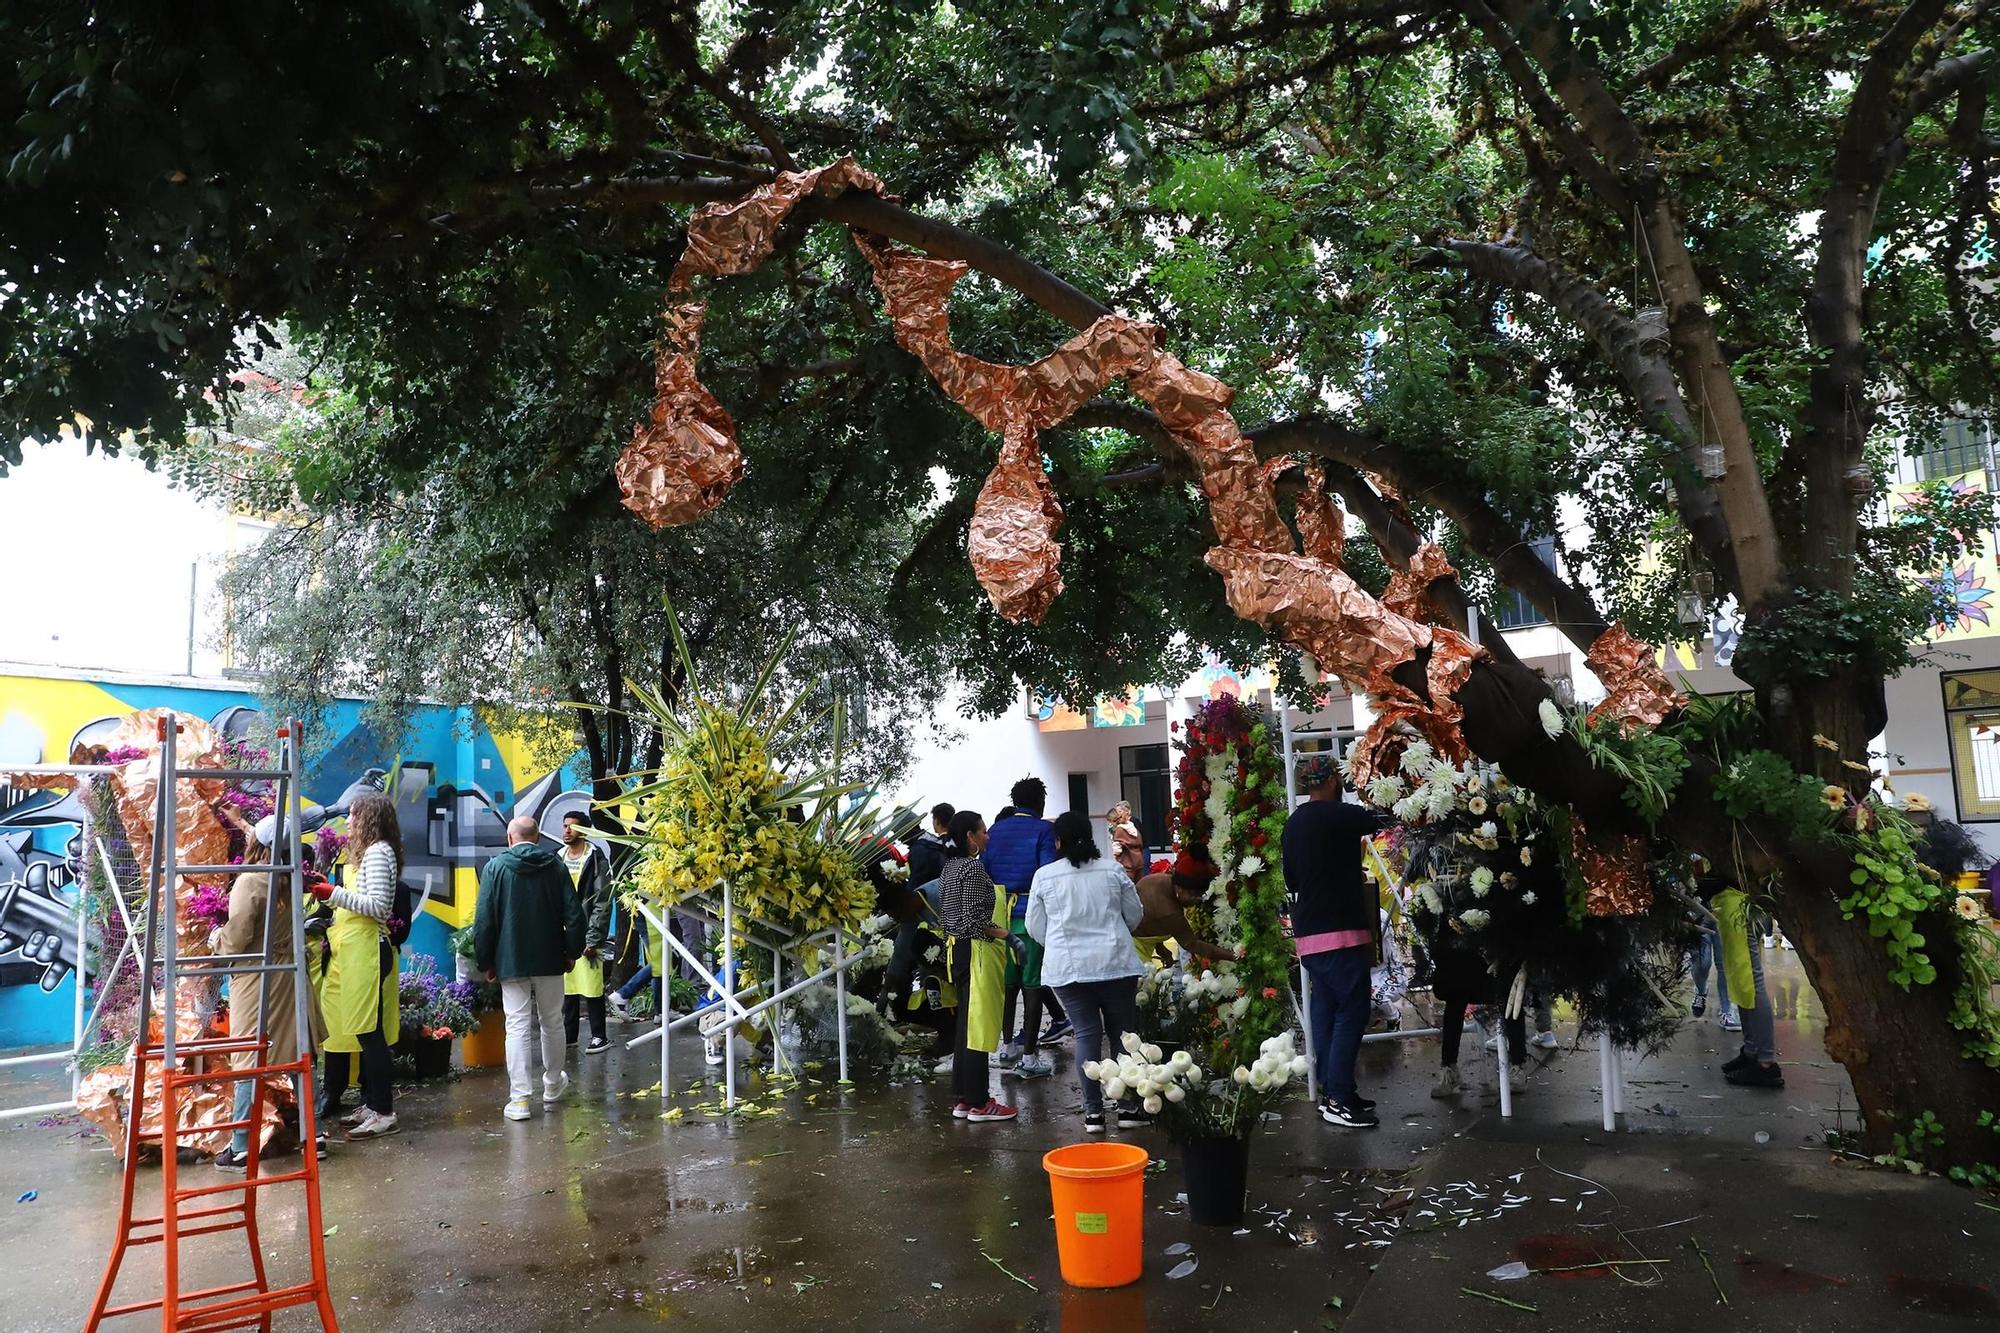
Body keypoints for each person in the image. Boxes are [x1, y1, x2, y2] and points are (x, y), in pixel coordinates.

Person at [1281, 755, 1391, 1128]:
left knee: (1325, 1013)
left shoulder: (1293, 823)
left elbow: (1292, 881)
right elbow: (1385, 818)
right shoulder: (1337, 814)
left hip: (1310, 933)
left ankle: (1335, 1089)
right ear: (1331, 782)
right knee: (1352, 1010)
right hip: (1339, 931)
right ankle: (1339, 1098)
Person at [214, 820, 327, 1171]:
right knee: (299, 1058)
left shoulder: (250, 881)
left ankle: (240, 1147)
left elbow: (238, 936)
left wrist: (215, 937)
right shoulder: (292, 878)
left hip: (256, 981)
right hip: (291, 976)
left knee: (249, 1059)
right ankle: (315, 1136)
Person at [1028, 812, 1146, 1135]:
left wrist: (1059, 943)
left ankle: (1093, 1114)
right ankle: (1129, 1108)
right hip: (1116, 965)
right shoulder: (1112, 871)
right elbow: (1134, 916)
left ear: (1057, 842)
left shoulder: (1044, 876)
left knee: (1086, 1035)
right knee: (1123, 1036)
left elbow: (1035, 927)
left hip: (1069, 971)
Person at [474, 816, 587, 1120]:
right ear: (536, 839)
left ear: (510, 839)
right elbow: (574, 915)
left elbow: (484, 920)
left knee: (517, 1025)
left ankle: (520, 1099)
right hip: (551, 957)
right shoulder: (556, 866)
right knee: (552, 1021)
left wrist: (485, 960)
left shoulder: (495, 869)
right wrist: (571, 951)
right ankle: (552, 1086)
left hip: (510, 959)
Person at [308, 792, 403, 1140]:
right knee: (366, 1031)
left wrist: (332, 893)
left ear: (368, 817)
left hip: (370, 951)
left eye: (352, 815)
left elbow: (378, 907)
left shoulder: (378, 853)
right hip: (357, 951)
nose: (347, 821)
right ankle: (373, 1103)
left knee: (370, 1033)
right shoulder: (370, 854)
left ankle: (383, 1111)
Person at [982, 776, 1066, 1078]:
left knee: (1008, 986)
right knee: (1033, 986)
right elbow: (1047, 873)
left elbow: (986, 873)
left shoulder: (994, 830)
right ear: (1039, 802)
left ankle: (1006, 1047)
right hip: (1031, 916)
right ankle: (1029, 1057)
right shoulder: (1044, 829)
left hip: (1000, 918)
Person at [939, 809, 1017, 1123]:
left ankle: (964, 1098)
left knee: (965, 1026)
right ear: (970, 837)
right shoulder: (972, 869)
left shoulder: (949, 868)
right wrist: (1007, 935)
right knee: (978, 1026)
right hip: (975, 951)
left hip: (955, 950)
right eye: (983, 831)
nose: (988, 835)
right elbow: (975, 920)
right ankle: (980, 1102)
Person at [557, 812, 614, 1054]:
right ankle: (569, 1037)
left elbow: (602, 901)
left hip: (588, 933)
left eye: (571, 826)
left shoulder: (596, 860)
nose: (566, 830)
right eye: (565, 826)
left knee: (592, 986)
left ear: (585, 831)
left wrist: (593, 938)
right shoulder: (558, 857)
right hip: (564, 933)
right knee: (568, 987)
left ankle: (599, 1036)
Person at [1131, 852, 1240, 966]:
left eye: (1201, 895)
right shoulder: (1170, 913)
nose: (1196, 900)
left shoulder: (1159, 879)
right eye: (1193, 895)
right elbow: (1192, 944)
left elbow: (1150, 917)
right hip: (1132, 950)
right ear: (1180, 888)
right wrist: (1235, 955)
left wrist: (1160, 948)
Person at [1106, 802, 1146, 883]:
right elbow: (1142, 842)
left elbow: (1117, 851)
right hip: (1139, 861)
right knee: (1140, 885)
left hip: (1128, 864)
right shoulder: (1132, 826)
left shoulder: (1119, 830)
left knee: (1128, 887)